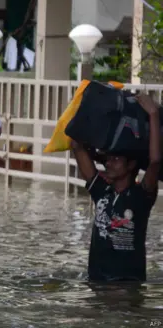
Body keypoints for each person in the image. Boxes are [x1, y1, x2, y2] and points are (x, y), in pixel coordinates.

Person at [71, 94, 160, 282]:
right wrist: (90, 107)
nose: (109, 163)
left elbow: (155, 161)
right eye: (108, 159)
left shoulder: (141, 196)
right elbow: (76, 145)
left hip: (128, 285)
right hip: (97, 281)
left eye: (116, 159)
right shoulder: (101, 191)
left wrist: (153, 114)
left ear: (131, 165)